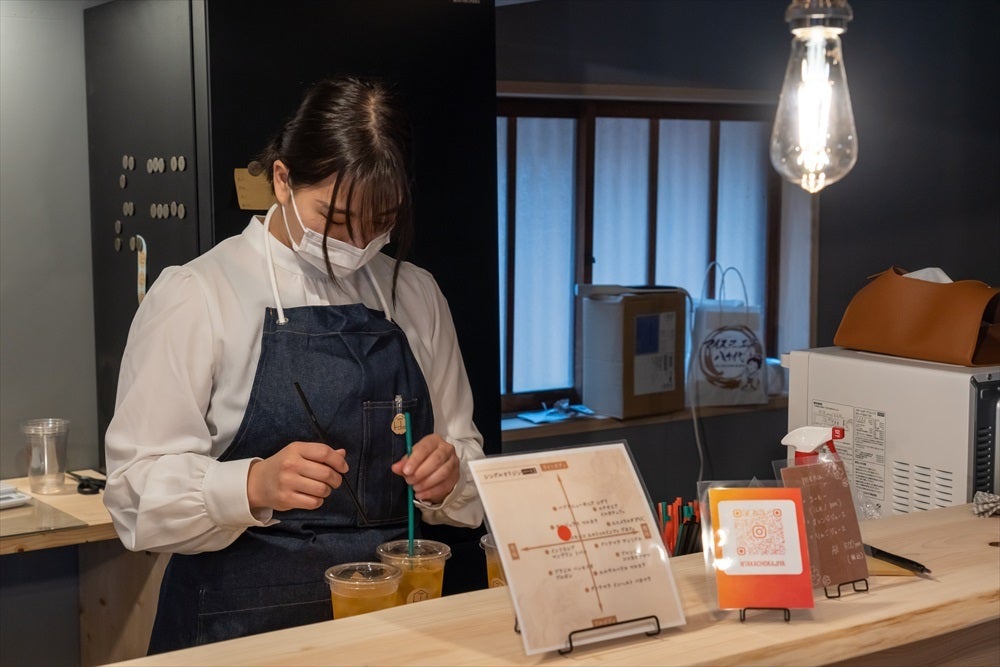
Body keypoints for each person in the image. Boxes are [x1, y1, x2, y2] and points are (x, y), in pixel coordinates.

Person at [103, 76, 485, 653]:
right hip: (241, 629)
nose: (357, 242)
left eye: (380, 221)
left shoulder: (415, 293)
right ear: (282, 180)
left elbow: (468, 460)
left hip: (397, 624)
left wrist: (449, 478)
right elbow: (133, 495)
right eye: (335, 218)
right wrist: (251, 484)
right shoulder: (198, 294)